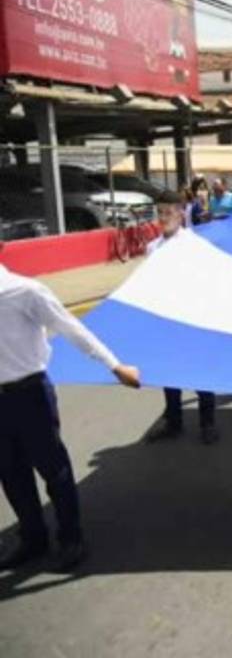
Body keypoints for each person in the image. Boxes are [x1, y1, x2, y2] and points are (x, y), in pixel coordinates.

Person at [0, 244, 142, 571]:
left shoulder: (25, 291)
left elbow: (71, 328)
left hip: (30, 393)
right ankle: (33, 539)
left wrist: (114, 365)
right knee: (10, 472)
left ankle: (70, 539)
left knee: (53, 469)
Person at [142, 194, 220, 445]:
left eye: (168, 212)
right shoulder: (153, 247)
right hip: (164, 319)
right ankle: (173, 420)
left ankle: (207, 422)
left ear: (180, 213)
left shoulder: (193, 244)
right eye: (160, 213)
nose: (163, 218)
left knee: (200, 372)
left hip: (191, 318)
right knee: (169, 372)